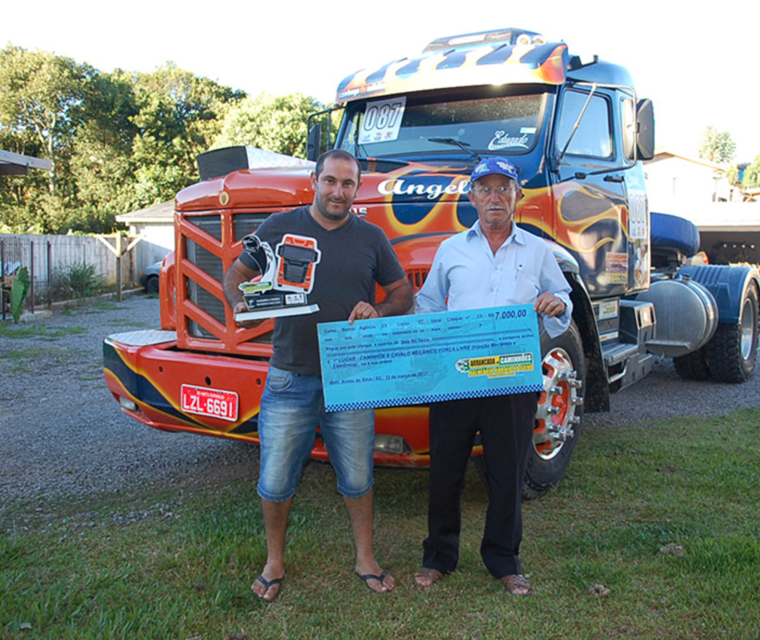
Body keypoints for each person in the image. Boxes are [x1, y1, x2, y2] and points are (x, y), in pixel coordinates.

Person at [223, 149, 413, 601]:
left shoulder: (371, 237)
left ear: (357, 188)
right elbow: (234, 275)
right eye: (330, 181)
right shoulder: (277, 228)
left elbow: (403, 293)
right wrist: (240, 304)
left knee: (357, 475)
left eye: (347, 184)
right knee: (274, 479)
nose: (338, 191)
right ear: (314, 180)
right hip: (291, 374)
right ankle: (274, 561)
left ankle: (365, 557)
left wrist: (379, 307)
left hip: (350, 376)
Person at [412, 157, 572, 596]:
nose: (495, 197)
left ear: (519, 196)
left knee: (507, 471)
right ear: (472, 197)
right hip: (455, 380)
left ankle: (504, 559)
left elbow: (562, 295)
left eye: (504, 188)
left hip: (511, 379)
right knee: (445, 469)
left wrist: (557, 305)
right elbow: (427, 304)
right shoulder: (451, 249)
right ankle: (439, 557)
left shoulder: (538, 250)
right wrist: (432, 346)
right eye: (485, 189)